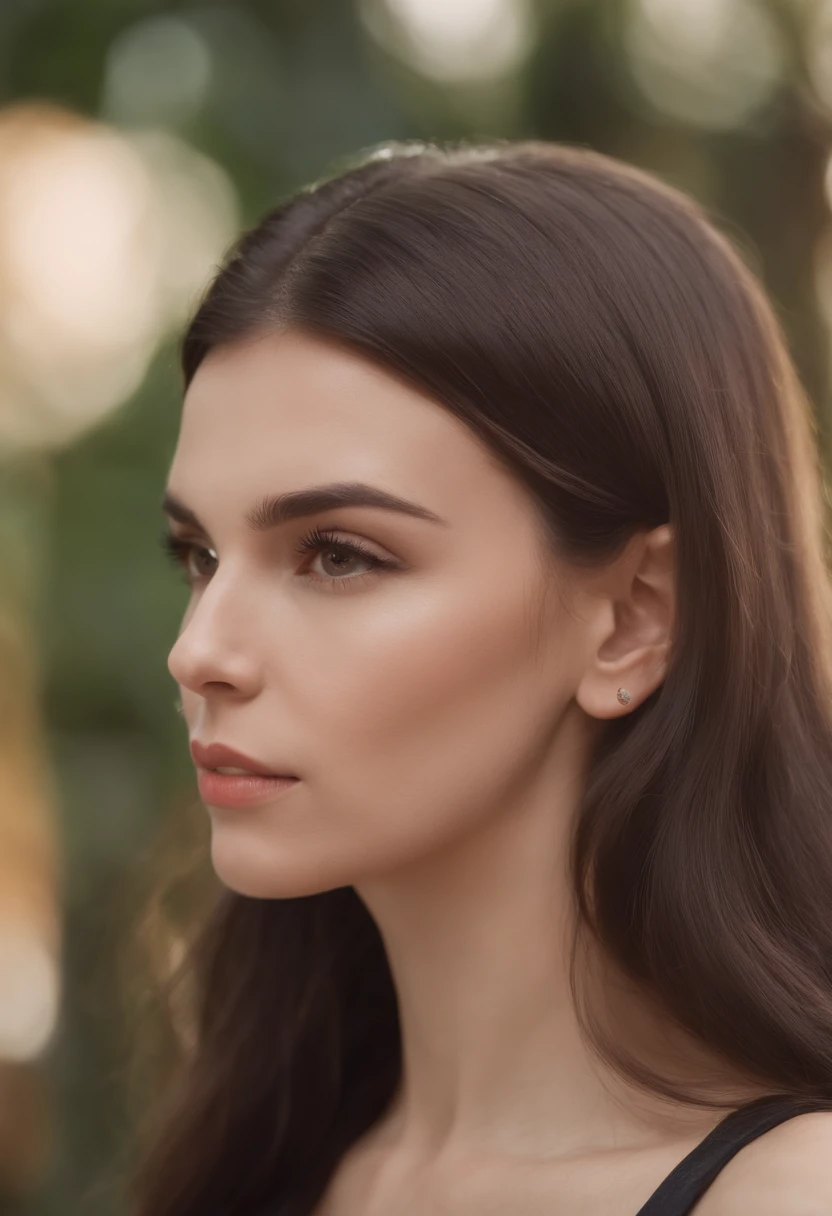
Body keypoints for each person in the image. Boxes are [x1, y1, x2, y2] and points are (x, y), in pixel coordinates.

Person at [130, 140, 832, 1215]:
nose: (199, 652)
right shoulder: (261, 1165)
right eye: (201, 556)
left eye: (338, 554)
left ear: (635, 618)